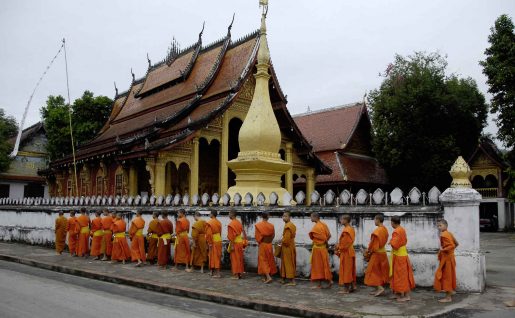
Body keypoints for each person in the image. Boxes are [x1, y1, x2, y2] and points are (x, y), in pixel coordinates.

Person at [389, 216, 415, 302]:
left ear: (393, 222)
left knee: (402, 276)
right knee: (399, 275)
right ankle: (398, 293)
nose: (391, 224)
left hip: (400, 256)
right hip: (401, 255)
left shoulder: (396, 231)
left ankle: (406, 295)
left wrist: (391, 242)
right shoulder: (402, 229)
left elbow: (395, 245)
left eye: (391, 222)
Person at [364, 214, 390, 297]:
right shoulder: (385, 229)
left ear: (378, 220)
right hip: (383, 252)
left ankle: (380, 288)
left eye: (375, 220)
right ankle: (377, 288)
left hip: (377, 254)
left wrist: (368, 252)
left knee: (371, 271)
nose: (374, 221)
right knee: (379, 271)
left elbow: (373, 245)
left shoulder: (377, 231)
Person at [434, 219, 458, 303]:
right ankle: (451, 291)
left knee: (446, 277)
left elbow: (451, 245)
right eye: (438, 226)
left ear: (445, 226)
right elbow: (456, 244)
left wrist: (443, 250)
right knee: (450, 276)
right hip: (450, 257)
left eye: (440, 225)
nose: (439, 227)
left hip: (447, 259)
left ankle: (448, 298)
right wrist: (450, 252)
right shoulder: (449, 233)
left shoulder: (444, 234)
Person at [309, 212, 333, 289]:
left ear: (315, 217)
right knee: (325, 265)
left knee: (318, 267)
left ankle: (320, 284)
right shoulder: (323, 225)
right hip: (323, 248)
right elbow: (328, 235)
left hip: (318, 249)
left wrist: (326, 243)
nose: (311, 218)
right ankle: (328, 281)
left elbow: (324, 238)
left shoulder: (316, 227)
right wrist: (326, 244)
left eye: (311, 217)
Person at [336, 214, 356, 294]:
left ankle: (346, 289)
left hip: (346, 252)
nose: (340, 221)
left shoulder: (347, 230)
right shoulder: (350, 229)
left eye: (341, 219)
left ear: (345, 220)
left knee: (346, 270)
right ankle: (352, 286)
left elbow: (344, 244)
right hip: (349, 251)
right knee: (349, 270)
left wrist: (338, 247)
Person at [255, 212, 277, 284]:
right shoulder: (271, 225)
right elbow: (273, 235)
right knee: (269, 259)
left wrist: (261, 241)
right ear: (268, 217)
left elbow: (257, 237)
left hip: (263, 244)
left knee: (263, 260)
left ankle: (268, 277)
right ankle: (266, 277)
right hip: (269, 244)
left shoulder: (258, 225)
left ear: (261, 216)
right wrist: (269, 240)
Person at [279, 211, 296, 286]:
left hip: (287, 246)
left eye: (286, 216)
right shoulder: (290, 225)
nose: (284, 217)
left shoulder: (288, 226)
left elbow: (286, 239)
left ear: (289, 217)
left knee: (288, 263)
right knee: (284, 262)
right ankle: (283, 278)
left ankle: (292, 281)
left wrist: (281, 241)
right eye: (283, 216)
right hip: (289, 246)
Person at [227, 210, 245, 279]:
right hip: (239, 242)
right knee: (239, 258)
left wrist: (231, 245)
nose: (228, 215)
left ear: (232, 214)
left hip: (234, 243)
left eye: (229, 213)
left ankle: (236, 275)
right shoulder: (239, 222)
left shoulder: (231, 224)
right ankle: (239, 273)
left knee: (235, 259)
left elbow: (232, 237)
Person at [206, 210, 222, 278]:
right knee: (217, 256)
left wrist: (209, 242)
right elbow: (220, 232)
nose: (209, 215)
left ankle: (217, 273)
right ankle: (212, 272)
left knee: (214, 257)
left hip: (213, 241)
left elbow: (209, 234)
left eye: (210, 213)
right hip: (218, 240)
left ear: (212, 214)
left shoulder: (210, 222)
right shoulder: (219, 222)